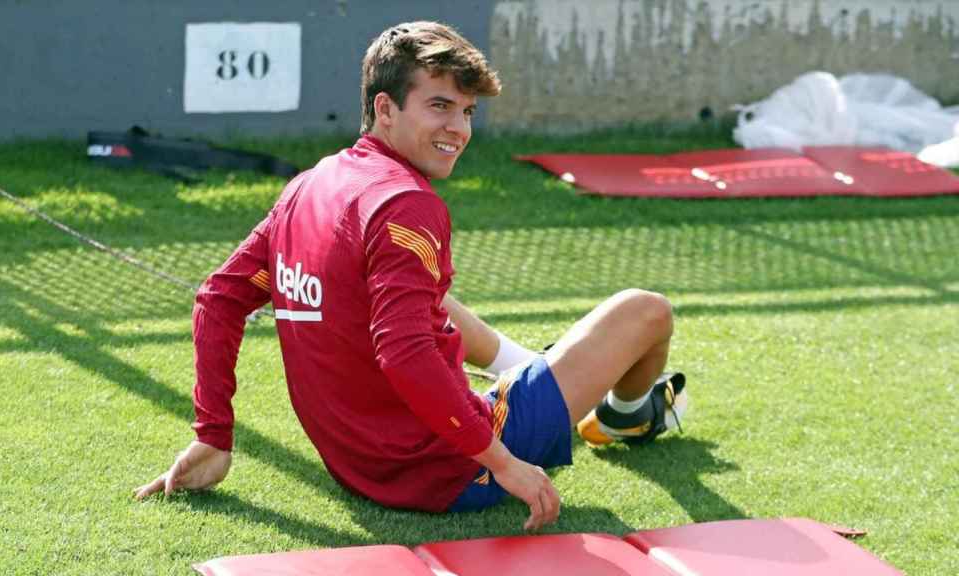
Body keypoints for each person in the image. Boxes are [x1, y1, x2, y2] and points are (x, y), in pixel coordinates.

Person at [134, 21, 687, 531]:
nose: (458, 129)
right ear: (385, 107)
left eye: (467, 112)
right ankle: (625, 416)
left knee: (423, 299)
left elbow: (219, 298)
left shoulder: (312, 184)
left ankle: (531, 369)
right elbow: (404, 355)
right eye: (440, 106)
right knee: (646, 309)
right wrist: (502, 463)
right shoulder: (406, 204)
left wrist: (213, 436)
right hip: (446, 469)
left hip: (358, 467)